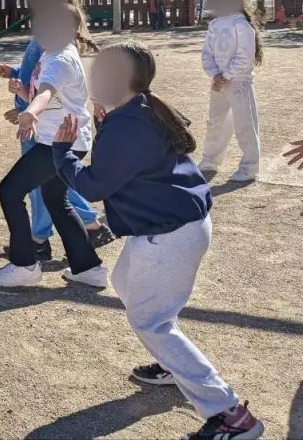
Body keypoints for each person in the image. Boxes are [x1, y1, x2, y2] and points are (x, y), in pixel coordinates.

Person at [52, 41, 265, 440]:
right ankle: (172, 363)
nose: (95, 76)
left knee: (150, 321)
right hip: (173, 227)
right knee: (125, 282)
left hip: (170, 234)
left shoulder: (128, 124)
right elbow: (122, 161)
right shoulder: (137, 110)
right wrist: (101, 123)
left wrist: (62, 153)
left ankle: (232, 415)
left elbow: (93, 185)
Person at [0, 1, 105, 287]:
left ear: (70, 30)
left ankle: (24, 265)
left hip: (59, 142)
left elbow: (46, 93)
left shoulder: (60, 60)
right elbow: (49, 96)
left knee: (9, 190)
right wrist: (23, 95)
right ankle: (88, 268)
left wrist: (31, 111)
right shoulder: (52, 54)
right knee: (55, 198)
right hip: (67, 140)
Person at [198, 0, 263, 183]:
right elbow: (207, 53)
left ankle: (249, 166)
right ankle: (210, 160)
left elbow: (245, 55)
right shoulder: (214, 25)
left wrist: (226, 75)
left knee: (245, 124)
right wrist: (215, 74)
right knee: (216, 122)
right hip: (218, 83)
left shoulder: (242, 25)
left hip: (239, 82)